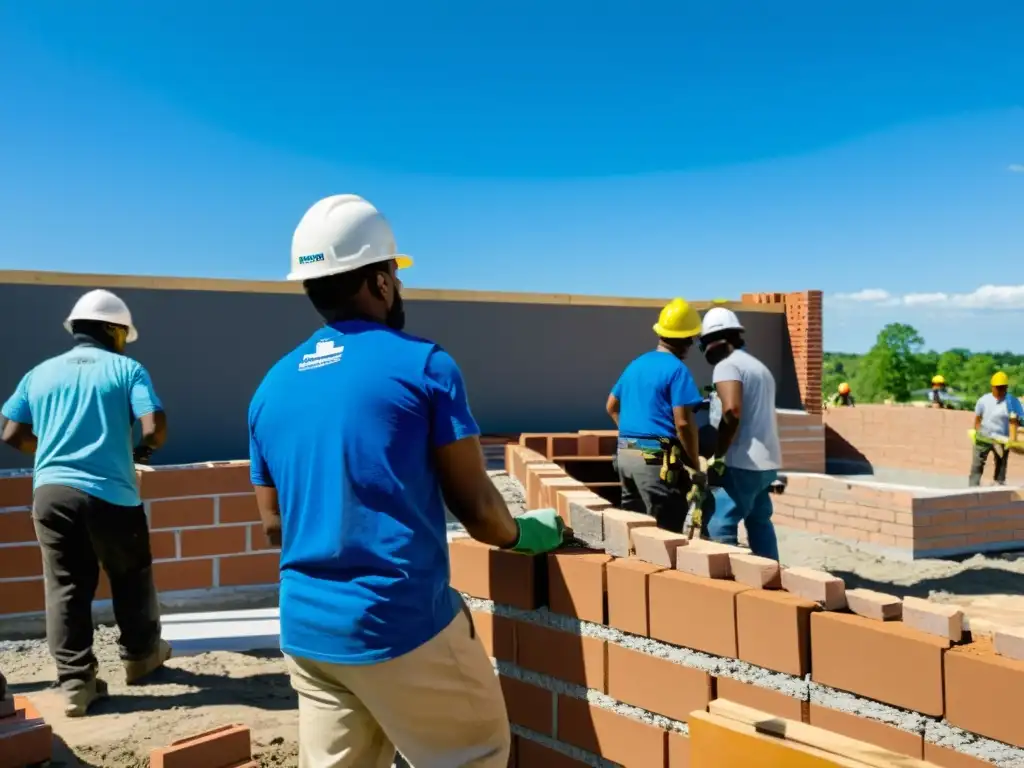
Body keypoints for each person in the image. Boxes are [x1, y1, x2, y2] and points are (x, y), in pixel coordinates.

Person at [247, 194, 564, 768]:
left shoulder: (270, 387)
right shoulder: (424, 365)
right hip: (397, 624)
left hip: (308, 633)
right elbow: (480, 513)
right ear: (379, 280)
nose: (397, 282)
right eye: (393, 270)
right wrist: (527, 535)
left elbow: (275, 526)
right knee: (477, 754)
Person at [0, 290, 170, 716]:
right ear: (114, 330)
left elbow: (10, 433)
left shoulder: (39, 373)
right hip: (111, 493)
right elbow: (154, 427)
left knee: (65, 586)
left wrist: (53, 454)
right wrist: (140, 452)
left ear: (75, 329)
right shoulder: (127, 369)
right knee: (130, 573)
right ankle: (140, 656)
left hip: (51, 493)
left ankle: (76, 682)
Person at [605, 298, 704, 532]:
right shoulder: (677, 370)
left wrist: (634, 435)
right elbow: (683, 422)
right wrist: (694, 462)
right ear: (688, 339)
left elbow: (611, 406)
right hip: (656, 454)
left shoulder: (636, 364)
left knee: (634, 528)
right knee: (664, 532)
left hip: (626, 450)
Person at [697, 307, 782, 560]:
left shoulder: (728, 366)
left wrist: (718, 454)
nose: (705, 353)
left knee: (720, 525)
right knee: (759, 523)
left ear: (717, 341)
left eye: (704, 346)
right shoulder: (758, 367)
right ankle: (771, 575)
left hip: (740, 462)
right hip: (765, 463)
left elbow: (732, 411)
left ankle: (728, 588)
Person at [969, 371, 1023, 486]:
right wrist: (976, 433)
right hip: (984, 437)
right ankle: (972, 489)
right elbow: (978, 419)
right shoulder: (983, 400)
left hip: (1002, 439)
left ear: (1006, 387)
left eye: (1003, 388)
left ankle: (998, 488)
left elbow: (1018, 421)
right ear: (992, 387)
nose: (1000, 390)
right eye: (997, 388)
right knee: (977, 465)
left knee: (1001, 465)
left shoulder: (1012, 402)